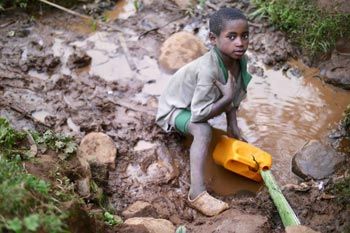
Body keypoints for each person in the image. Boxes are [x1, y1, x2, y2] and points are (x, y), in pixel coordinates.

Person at [156, 7, 252, 216]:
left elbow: (235, 93)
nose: (240, 43)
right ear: (213, 39)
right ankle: (196, 194)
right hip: (175, 110)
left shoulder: (240, 60)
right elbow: (199, 115)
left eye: (245, 36)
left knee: (222, 128)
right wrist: (226, 98)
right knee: (203, 130)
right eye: (232, 36)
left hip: (195, 104)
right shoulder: (208, 70)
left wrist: (232, 125)